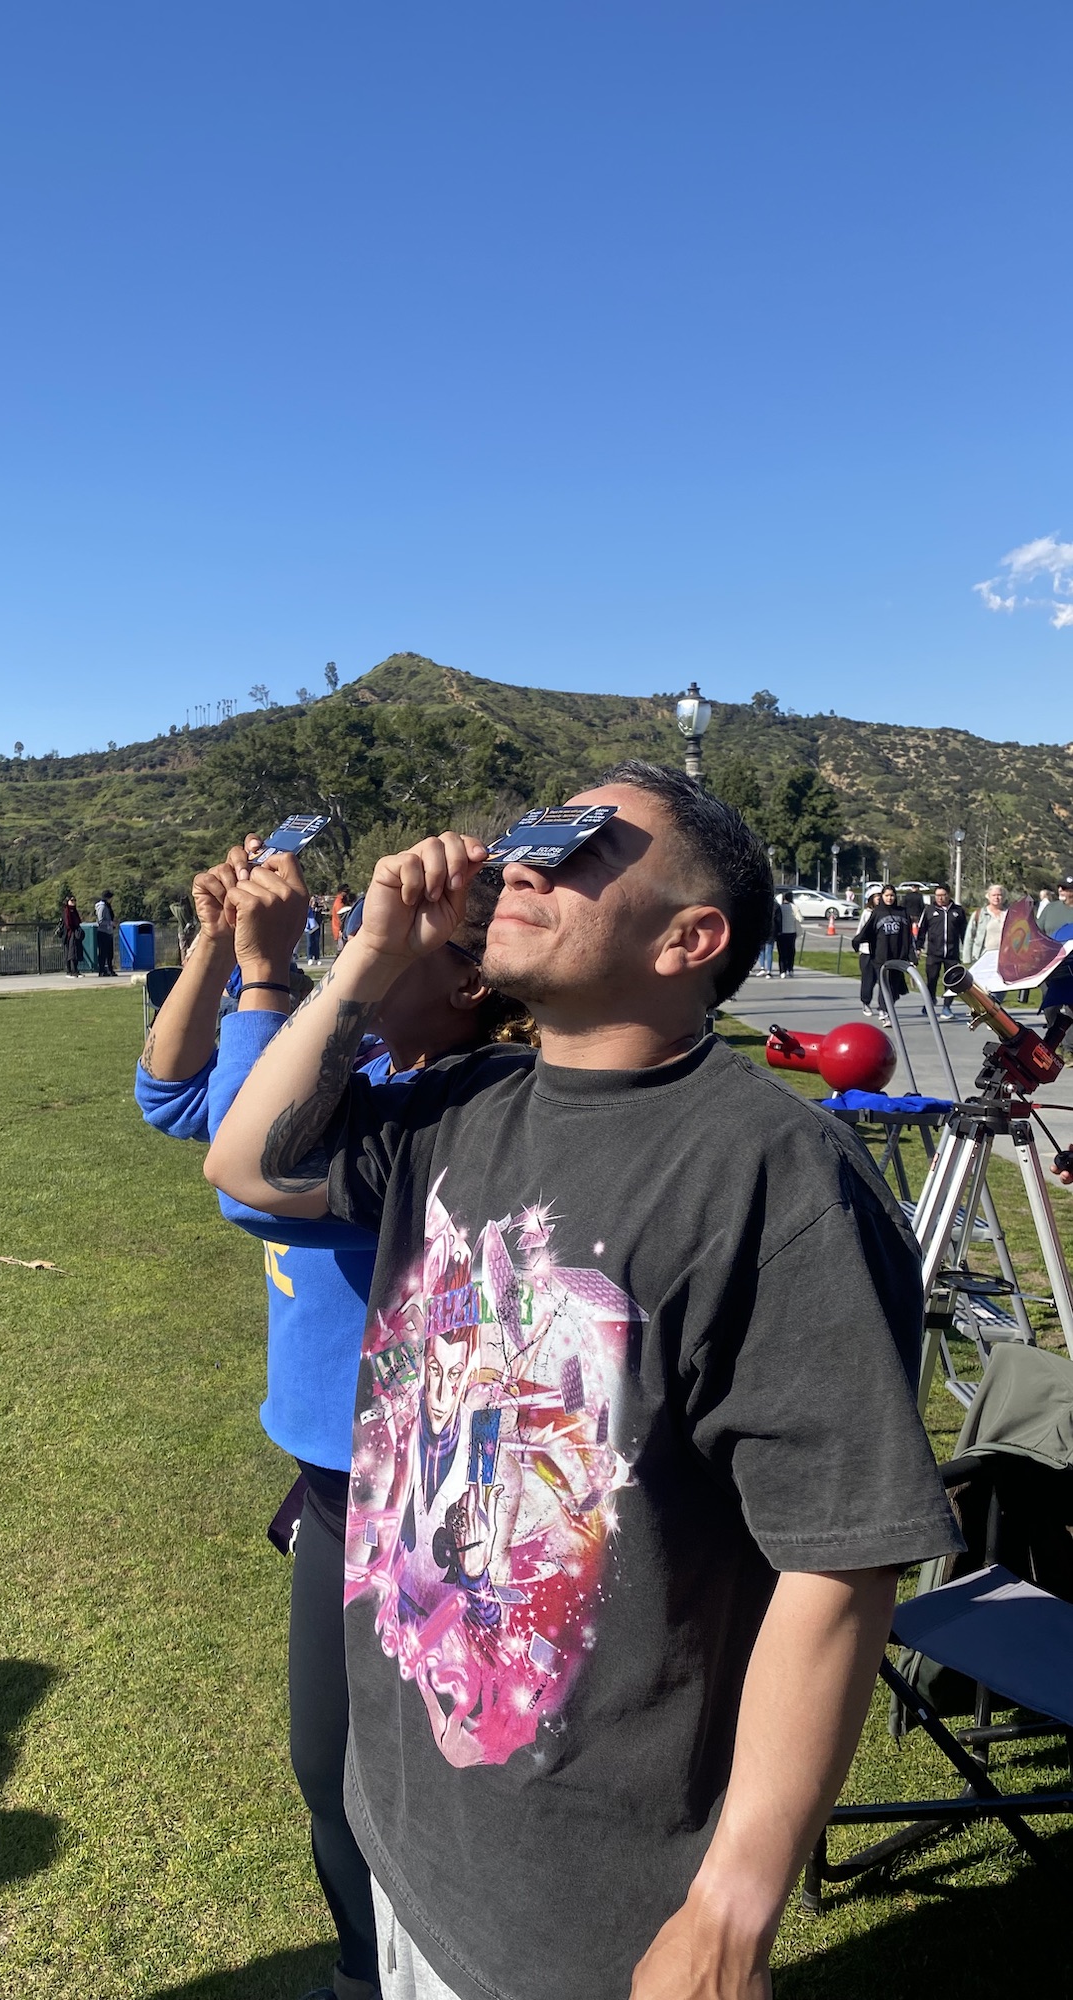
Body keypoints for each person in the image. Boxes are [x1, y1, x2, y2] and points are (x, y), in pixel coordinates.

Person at [206, 762, 959, 2000]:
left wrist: (728, 1912)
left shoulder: (771, 1176)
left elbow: (841, 1561)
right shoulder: (459, 1106)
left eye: (583, 846)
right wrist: (365, 955)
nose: (525, 862)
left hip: (583, 1905)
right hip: (411, 1832)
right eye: (526, 841)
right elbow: (246, 1161)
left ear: (690, 938)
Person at [136, 840, 533, 2000]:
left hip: (425, 1497)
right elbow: (172, 1096)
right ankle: (368, 1976)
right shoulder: (360, 1059)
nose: (351, 937)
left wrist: (272, 978)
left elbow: (241, 1179)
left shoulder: (444, 1101)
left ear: (468, 978)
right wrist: (220, 946)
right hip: (329, 1483)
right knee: (329, 1770)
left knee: (439, 1784)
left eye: (387, 924)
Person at [853, 884, 914, 1019]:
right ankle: (881, 1009)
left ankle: (886, 1008)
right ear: (882, 897)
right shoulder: (876, 913)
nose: (889, 898)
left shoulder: (902, 912)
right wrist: (857, 942)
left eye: (892, 895)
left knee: (894, 985)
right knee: (881, 983)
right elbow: (866, 931)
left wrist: (911, 955)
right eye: (886, 895)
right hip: (880, 956)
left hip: (898, 955)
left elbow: (908, 937)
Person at [916, 884, 967, 1020]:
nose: (940, 898)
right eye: (938, 895)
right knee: (931, 980)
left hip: (952, 954)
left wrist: (967, 951)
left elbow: (964, 933)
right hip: (934, 953)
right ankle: (930, 1001)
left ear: (948, 895)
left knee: (952, 982)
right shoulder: (929, 910)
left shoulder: (958, 911)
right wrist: (918, 947)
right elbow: (922, 931)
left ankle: (947, 1007)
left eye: (943, 895)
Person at [1037, 875, 1073, 1027]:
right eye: (1060, 887)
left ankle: (1068, 1047)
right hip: (1050, 965)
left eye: (1065, 888)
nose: (1060, 890)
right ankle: (1055, 1035)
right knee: (1050, 1007)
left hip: (1071, 968)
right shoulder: (1050, 909)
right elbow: (1038, 932)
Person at [964, 882, 1009, 968]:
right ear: (988, 896)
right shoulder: (979, 914)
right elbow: (969, 937)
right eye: (994, 895)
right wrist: (967, 959)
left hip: (1005, 958)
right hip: (983, 957)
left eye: (999, 895)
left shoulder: (1009, 914)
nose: (996, 897)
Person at [850, 890, 880, 1016]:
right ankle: (866, 1002)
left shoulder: (884, 913)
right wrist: (859, 946)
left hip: (881, 952)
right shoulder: (867, 914)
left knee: (883, 980)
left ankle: (883, 1006)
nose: (879, 899)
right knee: (868, 979)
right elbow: (860, 931)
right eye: (876, 897)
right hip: (867, 951)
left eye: (880, 897)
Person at [774, 888, 800, 976]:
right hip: (791, 932)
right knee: (791, 952)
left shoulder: (780, 907)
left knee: (782, 952)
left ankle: (782, 971)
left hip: (781, 932)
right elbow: (800, 918)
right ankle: (790, 969)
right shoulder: (794, 907)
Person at [93, 890, 116, 977]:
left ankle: (110, 969)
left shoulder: (108, 906)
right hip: (103, 932)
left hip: (109, 931)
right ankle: (102, 970)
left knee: (110, 952)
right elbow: (100, 920)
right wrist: (110, 923)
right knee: (103, 952)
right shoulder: (102, 907)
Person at [61, 893, 84, 976]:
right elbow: (68, 923)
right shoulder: (66, 910)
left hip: (75, 933)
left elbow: (78, 921)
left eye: (75, 900)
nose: (74, 902)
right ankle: (70, 970)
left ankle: (75, 970)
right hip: (69, 934)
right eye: (72, 900)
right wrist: (73, 929)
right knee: (71, 953)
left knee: (75, 952)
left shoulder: (74, 910)